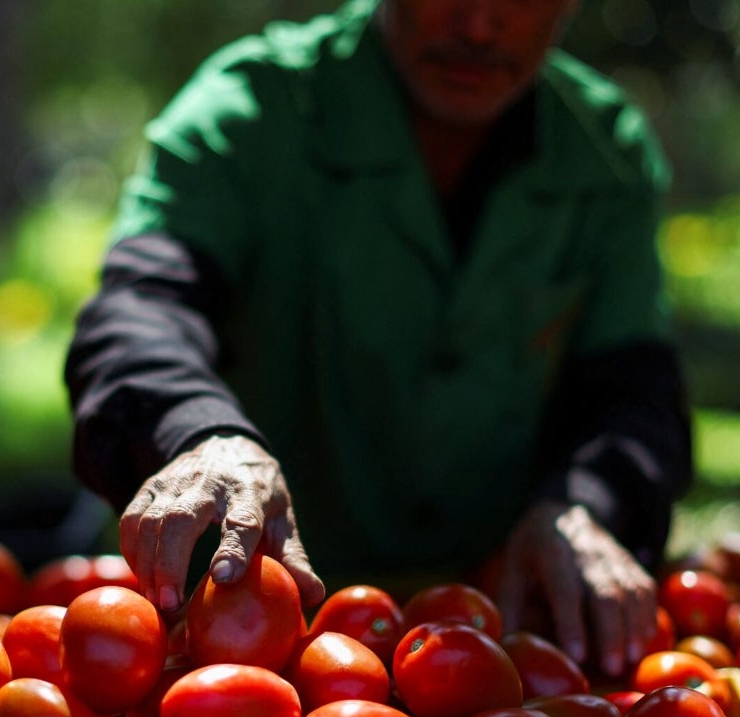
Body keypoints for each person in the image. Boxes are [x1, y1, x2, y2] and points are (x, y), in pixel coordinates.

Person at [64, 0, 693, 678]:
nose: (478, 26)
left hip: (502, 645)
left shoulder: (603, 153)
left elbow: (631, 389)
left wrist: (585, 505)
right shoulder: (252, 109)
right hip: (219, 628)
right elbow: (140, 310)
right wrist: (199, 433)